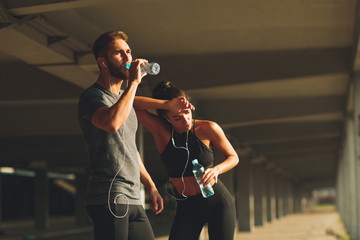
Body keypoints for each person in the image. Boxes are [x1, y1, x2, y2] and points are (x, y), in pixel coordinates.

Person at [78, 31, 193, 240]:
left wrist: (150, 185)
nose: (128, 58)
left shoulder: (125, 99)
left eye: (128, 52)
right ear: (103, 62)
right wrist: (134, 83)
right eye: (119, 53)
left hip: (132, 197)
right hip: (109, 196)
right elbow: (111, 123)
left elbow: (129, 148)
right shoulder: (92, 96)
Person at [134, 80, 239, 240]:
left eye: (187, 113)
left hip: (217, 202)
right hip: (187, 207)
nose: (185, 121)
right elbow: (131, 104)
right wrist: (166, 104)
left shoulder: (208, 128)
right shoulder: (161, 131)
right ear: (166, 118)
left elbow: (233, 157)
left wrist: (216, 169)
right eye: (176, 117)